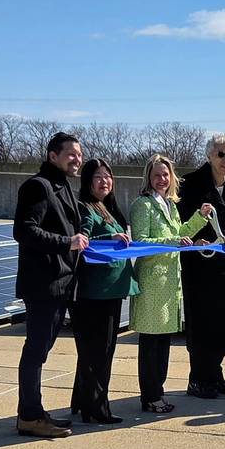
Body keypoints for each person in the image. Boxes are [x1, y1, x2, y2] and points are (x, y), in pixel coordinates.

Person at [12, 132, 87, 438]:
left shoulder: (63, 186)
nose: (77, 159)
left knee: (40, 350)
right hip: (44, 285)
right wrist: (66, 242)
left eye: (79, 154)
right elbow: (24, 230)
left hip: (60, 283)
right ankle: (30, 415)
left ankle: (32, 412)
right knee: (36, 351)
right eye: (71, 154)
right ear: (52, 155)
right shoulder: (38, 186)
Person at [129, 155, 213, 413]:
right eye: (157, 174)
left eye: (166, 174)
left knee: (163, 343)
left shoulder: (170, 205)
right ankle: (150, 396)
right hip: (152, 282)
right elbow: (141, 241)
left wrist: (200, 217)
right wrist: (174, 243)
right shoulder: (143, 205)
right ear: (148, 177)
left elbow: (181, 234)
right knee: (150, 344)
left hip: (169, 285)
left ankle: (158, 393)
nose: (162, 179)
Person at [178, 133, 225, 399]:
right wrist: (196, 239)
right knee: (202, 324)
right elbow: (183, 220)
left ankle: (215, 374)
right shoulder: (191, 183)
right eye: (221, 154)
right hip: (200, 266)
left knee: (223, 323)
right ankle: (197, 379)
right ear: (209, 155)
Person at [70, 159, 134, 424]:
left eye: (108, 176)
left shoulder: (109, 209)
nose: (104, 181)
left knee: (102, 351)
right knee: (96, 353)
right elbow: (82, 242)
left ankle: (85, 402)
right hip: (93, 293)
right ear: (87, 181)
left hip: (111, 291)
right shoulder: (86, 209)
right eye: (98, 177)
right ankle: (96, 408)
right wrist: (109, 239)